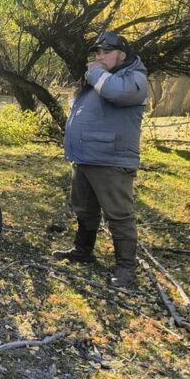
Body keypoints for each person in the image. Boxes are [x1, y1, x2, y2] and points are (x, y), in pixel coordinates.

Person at [54, 31, 148, 288]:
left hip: (111, 161)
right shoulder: (103, 78)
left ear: (122, 55)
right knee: (84, 209)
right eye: (97, 53)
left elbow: (117, 94)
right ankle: (82, 251)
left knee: (119, 215)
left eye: (106, 52)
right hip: (86, 158)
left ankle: (126, 268)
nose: (100, 57)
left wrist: (95, 73)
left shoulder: (134, 79)